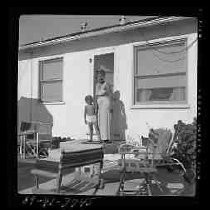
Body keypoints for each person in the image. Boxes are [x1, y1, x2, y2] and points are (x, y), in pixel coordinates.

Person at [95, 69, 112, 143]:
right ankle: (101, 137)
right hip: (99, 101)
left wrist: (110, 105)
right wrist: (95, 105)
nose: (100, 78)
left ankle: (106, 138)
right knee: (100, 119)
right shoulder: (97, 85)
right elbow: (96, 95)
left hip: (105, 101)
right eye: (98, 76)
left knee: (105, 119)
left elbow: (109, 93)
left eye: (101, 76)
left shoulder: (106, 84)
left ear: (104, 76)